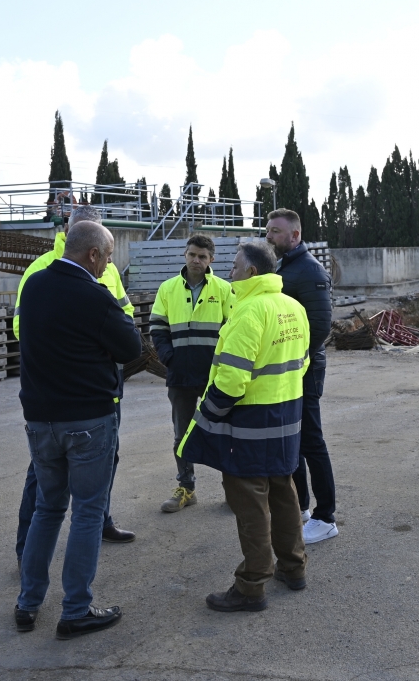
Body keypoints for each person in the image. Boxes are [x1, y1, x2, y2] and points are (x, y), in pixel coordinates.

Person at [14, 220, 142, 639]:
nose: (108, 266)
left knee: (47, 509)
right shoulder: (94, 295)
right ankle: (76, 610)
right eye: (107, 257)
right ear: (92, 254)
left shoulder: (33, 285)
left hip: (40, 421)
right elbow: (131, 348)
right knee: (87, 511)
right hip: (88, 420)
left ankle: (27, 603)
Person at [177, 240, 309, 612]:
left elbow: (232, 381)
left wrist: (208, 417)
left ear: (251, 272)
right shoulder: (292, 307)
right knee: (284, 492)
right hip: (285, 419)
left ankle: (252, 587)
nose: (229, 271)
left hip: (250, 425)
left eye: (235, 266)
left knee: (250, 506)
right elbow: (302, 363)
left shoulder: (249, 311)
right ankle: (294, 568)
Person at [264, 208, 337, 544]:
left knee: (311, 441)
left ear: (295, 235)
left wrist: (291, 356)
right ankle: (302, 507)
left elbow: (319, 327)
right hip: (289, 370)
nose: (269, 237)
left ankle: (325, 517)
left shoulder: (310, 271)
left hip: (304, 370)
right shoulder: (284, 267)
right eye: (267, 231)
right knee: (293, 440)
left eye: (275, 232)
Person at [149, 233, 235, 513]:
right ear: (185, 255)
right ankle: (186, 488)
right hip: (180, 375)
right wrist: (168, 357)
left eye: (202, 256)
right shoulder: (168, 288)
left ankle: (233, 491)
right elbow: (158, 327)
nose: (196, 260)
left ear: (212, 259)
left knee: (224, 432)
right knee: (182, 435)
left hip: (215, 376)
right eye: (192, 255)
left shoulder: (224, 289)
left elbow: (234, 329)